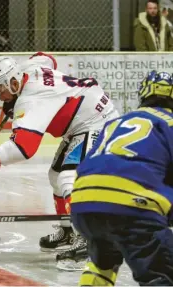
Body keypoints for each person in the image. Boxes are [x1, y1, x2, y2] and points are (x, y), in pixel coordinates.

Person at [0, 52, 119, 270]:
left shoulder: (31, 99)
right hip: (84, 120)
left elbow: (22, 148)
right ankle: (68, 231)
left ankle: (89, 240)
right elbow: (46, 58)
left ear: (14, 82)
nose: (0, 96)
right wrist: (14, 99)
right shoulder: (28, 68)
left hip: (96, 122)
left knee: (68, 178)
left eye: (1, 90)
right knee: (55, 177)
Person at [70, 71, 173, 286]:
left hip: (84, 205)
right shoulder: (170, 123)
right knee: (161, 272)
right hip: (133, 207)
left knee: (102, 263)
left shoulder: (115, 123)